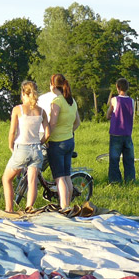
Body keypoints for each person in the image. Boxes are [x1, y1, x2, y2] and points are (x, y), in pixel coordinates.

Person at [2, 81, 49, 213]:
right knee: (32, 181)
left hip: (22, 147)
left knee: (6, 178)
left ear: (23, 93)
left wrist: (10, 146)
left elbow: (12, 131)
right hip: (37, 149)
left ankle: (9, 209)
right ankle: (29, 210)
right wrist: (40, 142)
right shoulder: (41, 111)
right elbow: (48, 132)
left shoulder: (18, 109)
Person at [47, 74, 81, 208]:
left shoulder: (57, 102)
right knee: (67, 176)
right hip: (69, 141)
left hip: (57, 143)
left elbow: (53, 123)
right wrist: (69, 131)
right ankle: (68, 206)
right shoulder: (71, 101)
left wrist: (45, 138)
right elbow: (77, 122)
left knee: (59, 177)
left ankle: (63, 207)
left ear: (53, 86)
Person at [106, 77, 135, 184]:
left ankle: (115, 180)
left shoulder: (114, 100)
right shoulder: (132, 101)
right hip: (127, 133)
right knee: (129, 160)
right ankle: (130, 180)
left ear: (118, 87)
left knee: (114, 159)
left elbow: (108, 114)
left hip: (116, 133)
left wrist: (111, 117)